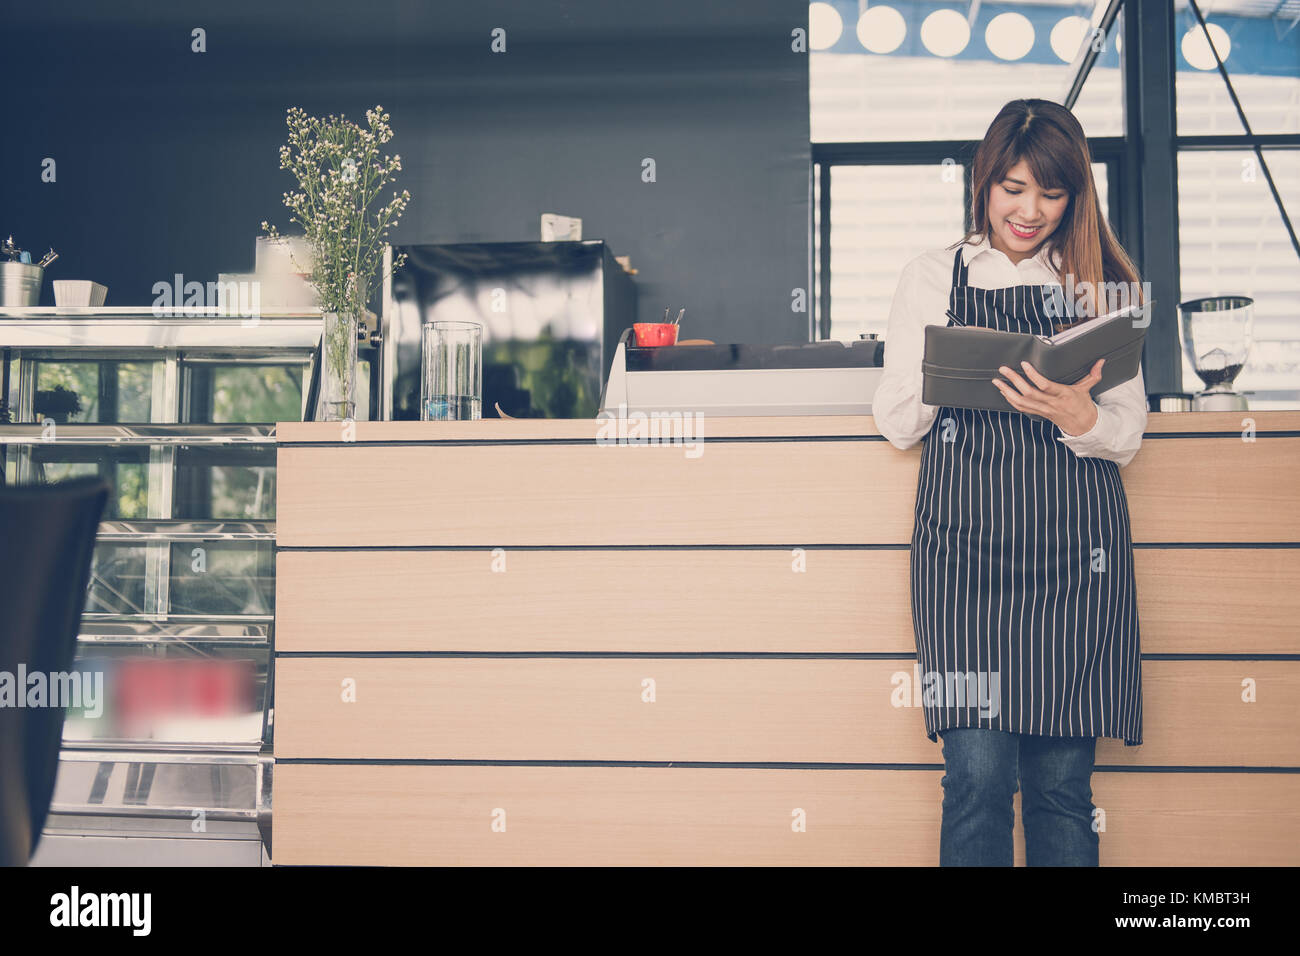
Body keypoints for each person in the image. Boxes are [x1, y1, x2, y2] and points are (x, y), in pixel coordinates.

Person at [872, 99, 1149, 867]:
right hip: (965, 558)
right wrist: (955, 371)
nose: (1029, 211)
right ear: (983, 181)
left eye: (1051, 193)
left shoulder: (1103, 282)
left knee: (1063, 788)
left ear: (1076, 195)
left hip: (1076, 561)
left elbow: (1129, 433)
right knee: (976, 779)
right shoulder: (932, 276)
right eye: (1013, 188)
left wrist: (1078, 413)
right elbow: (895, 421)